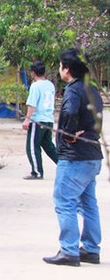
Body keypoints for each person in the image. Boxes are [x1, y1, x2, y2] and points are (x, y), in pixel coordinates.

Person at [43, 48, 103, 267]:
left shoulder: (72, 91)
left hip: (75, 157)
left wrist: (68, 135)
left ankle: (69, 250)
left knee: (64, 201)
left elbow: (68, 112)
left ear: (66, 69)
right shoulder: (92, 90)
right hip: (92, 155)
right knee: (88, 204)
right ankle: (90, 248)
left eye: (60, 66)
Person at [23, 60, 58, 179]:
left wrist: (27, 120)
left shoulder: (35, 86)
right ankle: (64, 165)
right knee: (48, 145)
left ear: (33, 73)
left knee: (32, 146)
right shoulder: (50, 85)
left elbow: (32, 104)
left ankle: (37, 172)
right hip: (49, 119)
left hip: (38, 120)